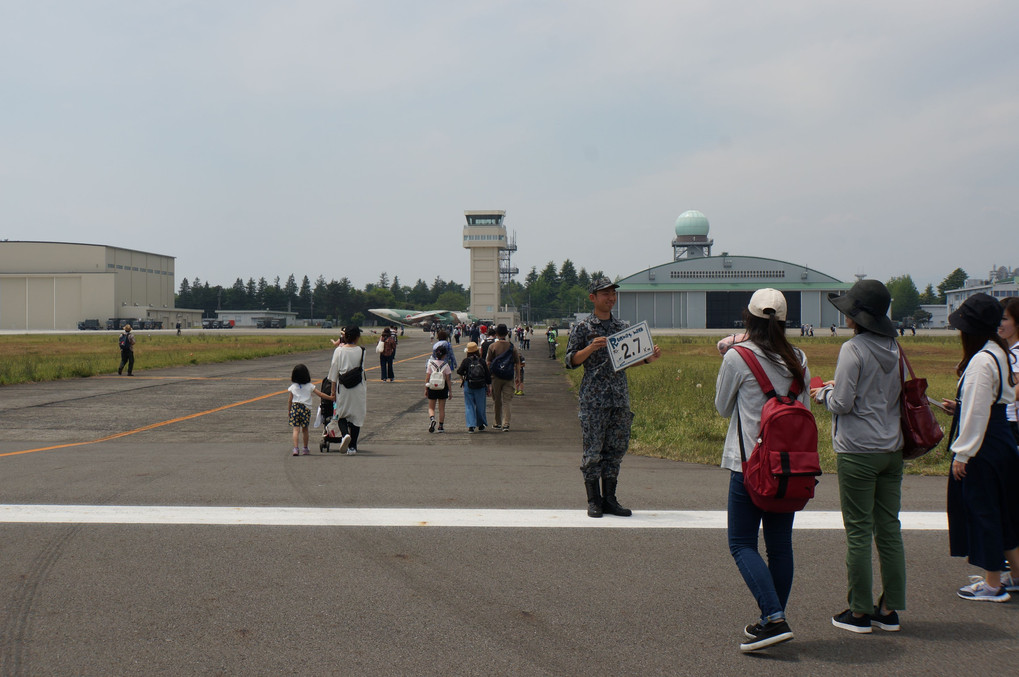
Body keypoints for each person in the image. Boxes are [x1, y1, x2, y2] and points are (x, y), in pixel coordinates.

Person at [714, 288, 808, 652]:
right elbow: (803, 411)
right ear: (784, 322)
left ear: (748, 318)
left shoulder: (738, 357)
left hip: (749, 465)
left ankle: (774, 617)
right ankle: (773, 618)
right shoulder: (798, 357)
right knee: (780, 547)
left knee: (741, 543)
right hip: (789, 466)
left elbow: (723, 407)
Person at [812, 280, 905, 633]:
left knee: (858, 531)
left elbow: (844, 403)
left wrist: (823, 396)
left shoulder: (853, 350)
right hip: (891, 448)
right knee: (889, 529)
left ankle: (860, 611)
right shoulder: (895, 347)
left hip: (858, 451)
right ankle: (890, 608)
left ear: (856, 316)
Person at [941, 293, 1019, 602]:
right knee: (1005, 512)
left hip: (984, 445)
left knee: (983, 511)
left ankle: (991, 584)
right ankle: (1013, 575)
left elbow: (975, 412)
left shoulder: (980, 362)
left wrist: (963, 453)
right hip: (1002, 440)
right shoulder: (998, 352)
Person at [565, 277, 662, 520]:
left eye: (613, 294)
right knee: (593, 451)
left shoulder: (622, 328)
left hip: (619, 397)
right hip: (593, 399)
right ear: (593, 298)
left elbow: (629, 360)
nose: (610, 298)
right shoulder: (584, 328)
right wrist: (590, 348)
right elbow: (570, 361)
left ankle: (610, 499)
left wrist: (649, 359)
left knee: (615, 450)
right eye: (605, 293)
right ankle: (593, 500)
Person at [327, 326, 367, 455]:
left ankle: (344, 435)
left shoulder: (339, 351)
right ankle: (352, 447)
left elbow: (334, 372)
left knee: (342, 414)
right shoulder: (362, 351)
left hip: (343, 387)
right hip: (358, 387)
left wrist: (332, 392)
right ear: (357, 337)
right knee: (356, 416)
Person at [287, 364, 334, 456]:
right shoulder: (309, 386)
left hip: (295, 407)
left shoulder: (293, 386)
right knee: (305, 429)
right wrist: (330, 398)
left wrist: (289, 411)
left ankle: (296, 448)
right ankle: (305, 448)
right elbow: (320, 394)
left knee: (296, 430)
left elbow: (290, 400)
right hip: (305, 409)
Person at [486, 324, 522, 432]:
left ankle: (497, 423)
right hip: (508, 376)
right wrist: (518, 377)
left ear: (496, 334)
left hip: (495, 377)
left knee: (497, 400)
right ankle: (506, 424)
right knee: (507, 401)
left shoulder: (492, 346)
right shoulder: (512, 347)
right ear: (507, 333)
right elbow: (517, 363)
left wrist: (488, 378)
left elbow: (488, 362)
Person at [456, 342, 492, 432]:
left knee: (469, 406)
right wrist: (489, 386)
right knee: (481, 406)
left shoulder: (466, 361)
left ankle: (471, 426)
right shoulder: (481, 361)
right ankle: (481, 424)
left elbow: (459, 371)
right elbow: (487, 375)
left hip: (469, 385)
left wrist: (463, 380)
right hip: (480, 386)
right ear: (477, 350)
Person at [999, 298, 1019, 444]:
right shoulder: (1007, 351)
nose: (999, 324)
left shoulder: (1016, 354)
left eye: (1004, 319)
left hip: (1012, 421)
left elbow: (1015, 391)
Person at [425, 345, 452, 433]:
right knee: (441, 408)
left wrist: (426, 388)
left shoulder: (431, 364)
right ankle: (441, 426)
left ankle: (432, 419)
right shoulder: (446, 365)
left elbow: (427, 377)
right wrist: (450, 391)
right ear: (444, 355)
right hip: (442, 387)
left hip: (432, 387)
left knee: (431, 407)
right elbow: (448, 379)